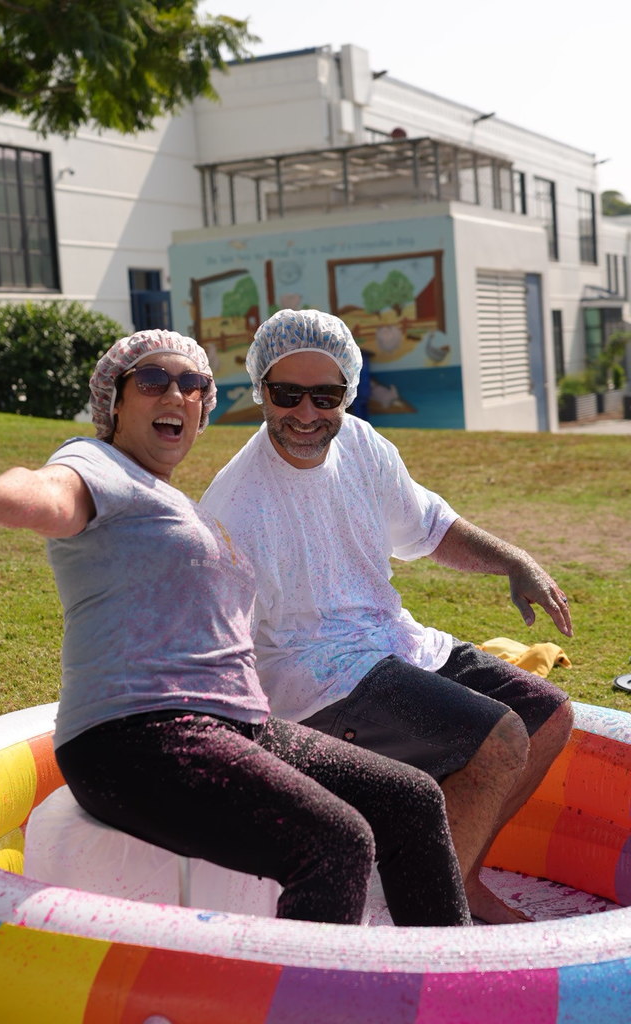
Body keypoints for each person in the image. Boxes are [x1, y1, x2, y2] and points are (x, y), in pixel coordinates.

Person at [0, 328, 471, 929]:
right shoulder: (97, 464)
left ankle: (447, 989)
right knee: (334, 845)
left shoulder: (173, 502)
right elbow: (51, 495)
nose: (178, 395)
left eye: (194, 385)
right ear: (115, 401)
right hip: (138, 736)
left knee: (411, 800)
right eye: (154, 381)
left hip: (236, 726)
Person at [200, 308, 575, 925]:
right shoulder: (235, 506)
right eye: (286, 393)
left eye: (326, 395)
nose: (305, 413)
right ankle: (433, 915)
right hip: (313, 675)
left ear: (348, 391)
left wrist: (514, 560)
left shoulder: (362, 444)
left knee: (546, 715)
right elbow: (217, 635)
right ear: (259, 389)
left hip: (389, 641)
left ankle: (457, 878)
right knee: (498, 737)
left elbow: (428, 526)